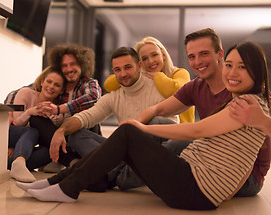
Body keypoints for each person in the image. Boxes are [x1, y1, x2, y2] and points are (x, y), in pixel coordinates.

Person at [17, 41, 270, 210]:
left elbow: (197, 130)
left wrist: (144, 129)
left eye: (242, 67)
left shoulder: (248, 103)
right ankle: (62, 181)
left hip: (194, 187)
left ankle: (67, 185)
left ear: (257, 72)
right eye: (229, 66)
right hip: (191, 179)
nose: (232, 73)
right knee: (113, 135)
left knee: (129, 131)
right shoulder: (247, 102)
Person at [136, 28, 271, 197]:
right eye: (192, 57)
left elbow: (245, 150)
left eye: (204, 54)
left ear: (219, 54)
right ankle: (119, 168)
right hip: (208, 154)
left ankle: (120, 178)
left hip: (244, 174)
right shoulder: (197, 86)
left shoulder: (249, 94)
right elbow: (159, 109)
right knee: (155, 122)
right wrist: (134, 125)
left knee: (176, 144)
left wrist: (263, 120)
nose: (198, 61)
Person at [47, 46, 178, 190]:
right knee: (76, 135)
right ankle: (114, 174)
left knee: (155, 123)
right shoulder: (115, 96)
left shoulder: (158, 88)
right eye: (117, 70)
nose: (123, 74)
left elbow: (171, 133)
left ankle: (108, 174)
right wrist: (61, 131)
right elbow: (87, 116)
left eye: (128, 67)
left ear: (139, 66)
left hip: (150, 158)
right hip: (125, 155)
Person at [26, 43, 103, 171]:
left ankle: (66, 161)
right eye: (64, 65)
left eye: (73, 64)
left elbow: (93, 97)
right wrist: (10, 108)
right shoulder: (58, 86)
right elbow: (30, 89)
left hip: (83, 138)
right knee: (36, 119)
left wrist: (60, 109)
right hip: (61, 140)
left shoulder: (89, 83)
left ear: (82, 64)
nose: (68, 69)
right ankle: (72, 162)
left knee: (85, 120)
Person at [104, 36, 194, 123]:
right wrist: (131, 72)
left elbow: (176, 93)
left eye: (154, 55)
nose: (150, 61)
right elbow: (108, 85)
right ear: (139, 63)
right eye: (145, 58)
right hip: (154, 132)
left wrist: (157, 76)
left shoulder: (180, 73)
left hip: (182, 133)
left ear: (163, 55)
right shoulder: (144, 79)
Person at [8, 66, 66, 182]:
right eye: (49, 82)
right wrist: (30, 112)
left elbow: (45, 138)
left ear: (61, 90)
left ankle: (14, 165)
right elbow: (16, 123)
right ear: (42, 82)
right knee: (33, 131)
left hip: (24, 146)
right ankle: (19, 161)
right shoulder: (26, 93)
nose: (51, 87)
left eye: (57, 85)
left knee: (49, 151)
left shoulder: (58, 113)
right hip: (11, 135)